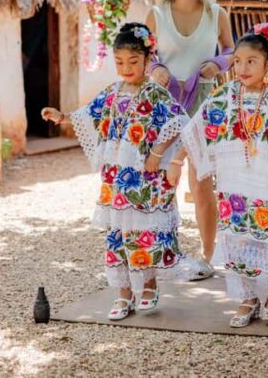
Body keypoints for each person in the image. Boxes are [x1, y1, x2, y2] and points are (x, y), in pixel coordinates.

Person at [42, 23, 190, 320]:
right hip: (116, 179)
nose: (126, 68)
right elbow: (88, 113)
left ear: (149, 60)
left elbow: (179, 122)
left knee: (143, 232)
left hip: (147, 179)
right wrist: (61, 117)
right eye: (120, 62)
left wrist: (159, 152)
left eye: (133, 62)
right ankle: (123, 292)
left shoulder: (154, 94)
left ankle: (148, 285)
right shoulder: (112, 92)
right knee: (118, 233)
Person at [179, 23, 268, 327]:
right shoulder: (225, 95)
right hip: (235, 182)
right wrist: (174, 162)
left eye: (251, 61)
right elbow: (195, 130)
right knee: (240, 238)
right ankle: (248, 296)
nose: (242, 68)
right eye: (238, 61)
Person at [145, 0, 235, 281]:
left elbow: (230, 50)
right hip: (165, 103)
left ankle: (207, 255)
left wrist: (219, 63)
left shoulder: (216, 13)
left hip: (204, 101)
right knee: (163, 180)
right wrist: (155, 69)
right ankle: (164, 251)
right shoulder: (156, 14)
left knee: (200, 182)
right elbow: (146, 56)